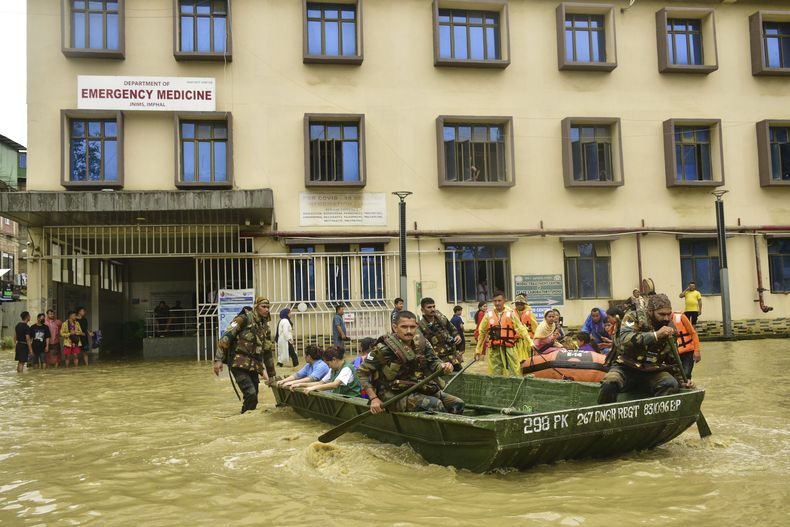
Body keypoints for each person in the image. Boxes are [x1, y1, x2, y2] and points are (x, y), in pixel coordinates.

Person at [357, 311, 463, 414]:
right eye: (404, 327)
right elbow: (362, 372)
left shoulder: (422, 343)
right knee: (436, 405)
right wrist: (374, 399)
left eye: (412, 327)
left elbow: (434, 361)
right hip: (394, 395)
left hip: (420, 388)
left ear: (416, 326)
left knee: (457, 403)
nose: (409, 331)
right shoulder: (383, 348)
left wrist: (443, 366)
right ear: (395, 327)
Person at [598, 293, 694, 404]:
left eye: (669, 314)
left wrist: (683, 381)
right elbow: (625, 338)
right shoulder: (633, 317)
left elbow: (673, 360)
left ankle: (658, 419)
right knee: (610, 383)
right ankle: (607, 417)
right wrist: (655, 335)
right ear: (650, 311)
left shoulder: (670, 329)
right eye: (661, 314)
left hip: (652, 370)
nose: (666, 318)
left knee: (670, 384)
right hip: (626, 367)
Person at [212, 296, 275, 414]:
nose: (266, 310)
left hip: (254, 366)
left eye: (268, 307)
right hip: (238, 363)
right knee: (250, 393)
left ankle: (246, 418)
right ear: (256, 307)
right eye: (263, 307)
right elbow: (225, 338)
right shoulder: (242, 319)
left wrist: (271, 376)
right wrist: (218, 360)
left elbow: (267, 353)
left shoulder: (265, 327)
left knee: (254, 398)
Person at [475, 292, 528, 376]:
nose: (497, 303)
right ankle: (497, 388)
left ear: (504, 301)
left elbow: (521, 329)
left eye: (499, 300)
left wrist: (530, 343)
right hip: (494, 349)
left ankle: (514, 386)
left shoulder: (511, 314)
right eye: (495, 301)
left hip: (509, 348)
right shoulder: (488, 315)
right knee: (495, 372)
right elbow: (481, 333)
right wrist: (478, 350)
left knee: (514, 370)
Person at [418, 297, 463, 371]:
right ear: (422, 310)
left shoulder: (440, 317)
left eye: (433, 306)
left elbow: (451, 328)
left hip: (453, 356)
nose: (432, 309)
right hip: (439, 361)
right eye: (429, 307)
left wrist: (457, 335)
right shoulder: (421, 326)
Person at [673, 311, 701, 379]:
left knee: (686, 374)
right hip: (673, 354)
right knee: (676, 375)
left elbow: (693, 333)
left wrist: (697, 351)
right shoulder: (660, 321)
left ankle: (688, 384)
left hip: (687, 351)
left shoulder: (679, 317)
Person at [511, 294, 537, 362]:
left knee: (528, 360)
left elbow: (535, 328)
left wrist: (534, 340)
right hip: (516, 342)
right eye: (517, 304)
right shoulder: (512, 314)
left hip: (527, 342)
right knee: (516, 361)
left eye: (521, 304)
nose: (519, 305)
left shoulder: (530, 314)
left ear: (524, 304)